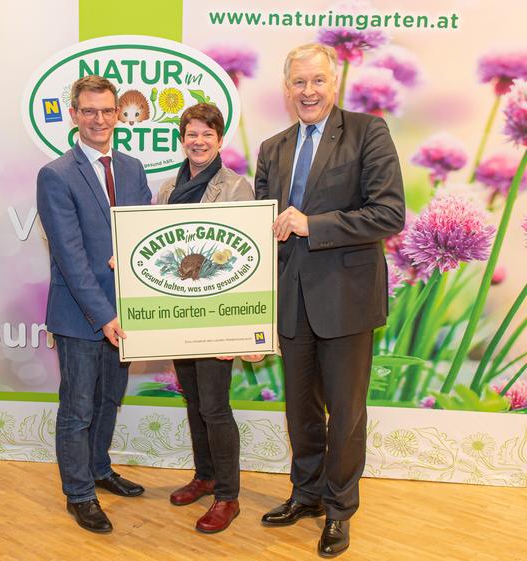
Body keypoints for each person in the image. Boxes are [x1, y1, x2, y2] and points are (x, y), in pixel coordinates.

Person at [255, 44, 405, 557]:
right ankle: (306, 494)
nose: (308, 92)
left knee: (345, 412)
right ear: (286, 87)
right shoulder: (272, 148)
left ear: (334, 83)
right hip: (290, 300)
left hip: (346, 298)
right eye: (299, 82)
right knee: (300, 410)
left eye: (317, 81)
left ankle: (340, 511)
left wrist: (311, 224)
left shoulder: (369, 131)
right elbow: (257, 229)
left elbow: (388, 214)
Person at [37, 75, 151, 534]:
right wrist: (103, 316)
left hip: (127, 310)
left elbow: (145, 228)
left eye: (107, 111)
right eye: (89, 111)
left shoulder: (131, 167)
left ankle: (100, 470)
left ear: (117, 114)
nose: (100, 119)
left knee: (108, 399)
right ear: (74, 115)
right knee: (78, 408)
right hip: (83, 315)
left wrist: (132, 257)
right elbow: (68, 255)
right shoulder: (56, 174)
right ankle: (79, 493)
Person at [157, 103, 260, 533]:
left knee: (216, 407)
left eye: (207, 134)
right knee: (194, 400)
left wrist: (240, 331)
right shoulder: (165, 189)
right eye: (191, 133)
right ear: (182, 139)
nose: (198, 141)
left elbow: (246, 260)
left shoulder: (238, 188)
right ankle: (205, 475)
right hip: (181, 314)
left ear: (220, 140)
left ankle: (228, 496)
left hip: (218, 318)